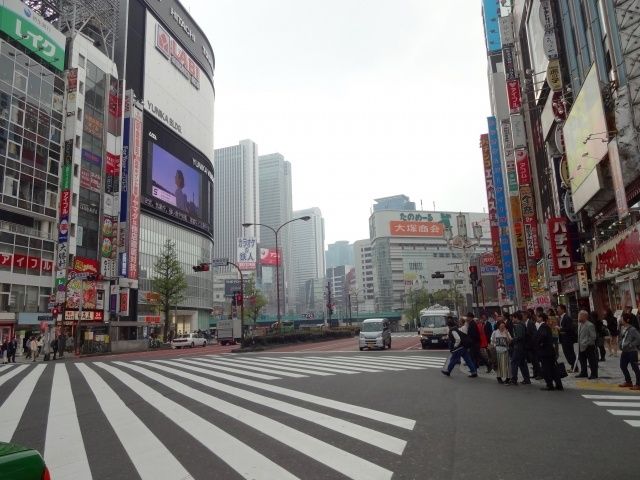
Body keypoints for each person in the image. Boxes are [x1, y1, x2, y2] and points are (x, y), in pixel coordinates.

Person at [535, 312, 564, 391]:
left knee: (546, 369)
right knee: (553, 368)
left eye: (538, 317)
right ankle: (559, 385)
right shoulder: (546, 326)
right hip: (549, 351)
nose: (537, 318)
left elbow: (543, 336)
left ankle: (550, 385)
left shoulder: (543, 326)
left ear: (541, 318)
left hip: (545, 352)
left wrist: (540, 343)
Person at [618, 312, 640, 390]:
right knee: (622, 366)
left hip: (632, 351)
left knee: (635, 367)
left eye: (622, 318)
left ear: (626, 320)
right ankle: (628, 381)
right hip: (625, 351)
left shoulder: (633, 329)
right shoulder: (622, 328)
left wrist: (631, 345)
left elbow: (638, 339)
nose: (620, 319)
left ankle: (638, 384)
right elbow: (622, 338)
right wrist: (620, 344)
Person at [509, 311, 531, 385]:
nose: (512, 320)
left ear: (516, 318)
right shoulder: (523, 324)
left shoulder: (518, 325)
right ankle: (527, 379)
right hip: (523, 347)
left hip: (518, 347)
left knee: (514, 362)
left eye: (513, 318)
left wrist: (513, 339)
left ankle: (514, 380)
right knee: (522, 363)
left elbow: (519, 337)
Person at [576, 310, 598, 379]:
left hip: (589, 346)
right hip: (581, 346)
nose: (578, 317)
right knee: (582, 360)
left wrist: (586, 343)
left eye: (580, 315)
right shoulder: (580, 324)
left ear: (584, 316)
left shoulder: (590, 325)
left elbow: (593, 337)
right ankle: (584, 372)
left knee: (592, 361)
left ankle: (594, 374)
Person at [490, 320, 512, 384]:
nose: (502, 327)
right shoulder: (495, 332)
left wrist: (507, 334)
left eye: (503, 326)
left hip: (505, 351)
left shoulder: (506, 332)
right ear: (498, 326)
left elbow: (510, 341)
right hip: (498, 351)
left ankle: (508, 378)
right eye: (501, 326)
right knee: (499, 365)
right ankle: (499, 377)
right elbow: (492, 341)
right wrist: (494, 345)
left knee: (506, 365)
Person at [558, 304, 577, 371]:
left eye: (559, 309)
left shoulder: (567, 317)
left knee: (570, 353)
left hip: (568, 339)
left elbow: (569, 328)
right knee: (567, 353)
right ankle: (573, 366)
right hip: (563, 339)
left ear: (563, 309)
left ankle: (574, 367)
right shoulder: (561, 318)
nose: (557, 310)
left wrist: (560, 329)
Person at [525, 309, 542, 379]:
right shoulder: (526, 323)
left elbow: (534, 334)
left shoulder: (530, 323)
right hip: (529, 346)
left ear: (525, 316)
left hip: (533, 346)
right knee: (533, 361)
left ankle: (540, 374)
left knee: (535, 361)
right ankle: (535, 373)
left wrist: (532, 343)